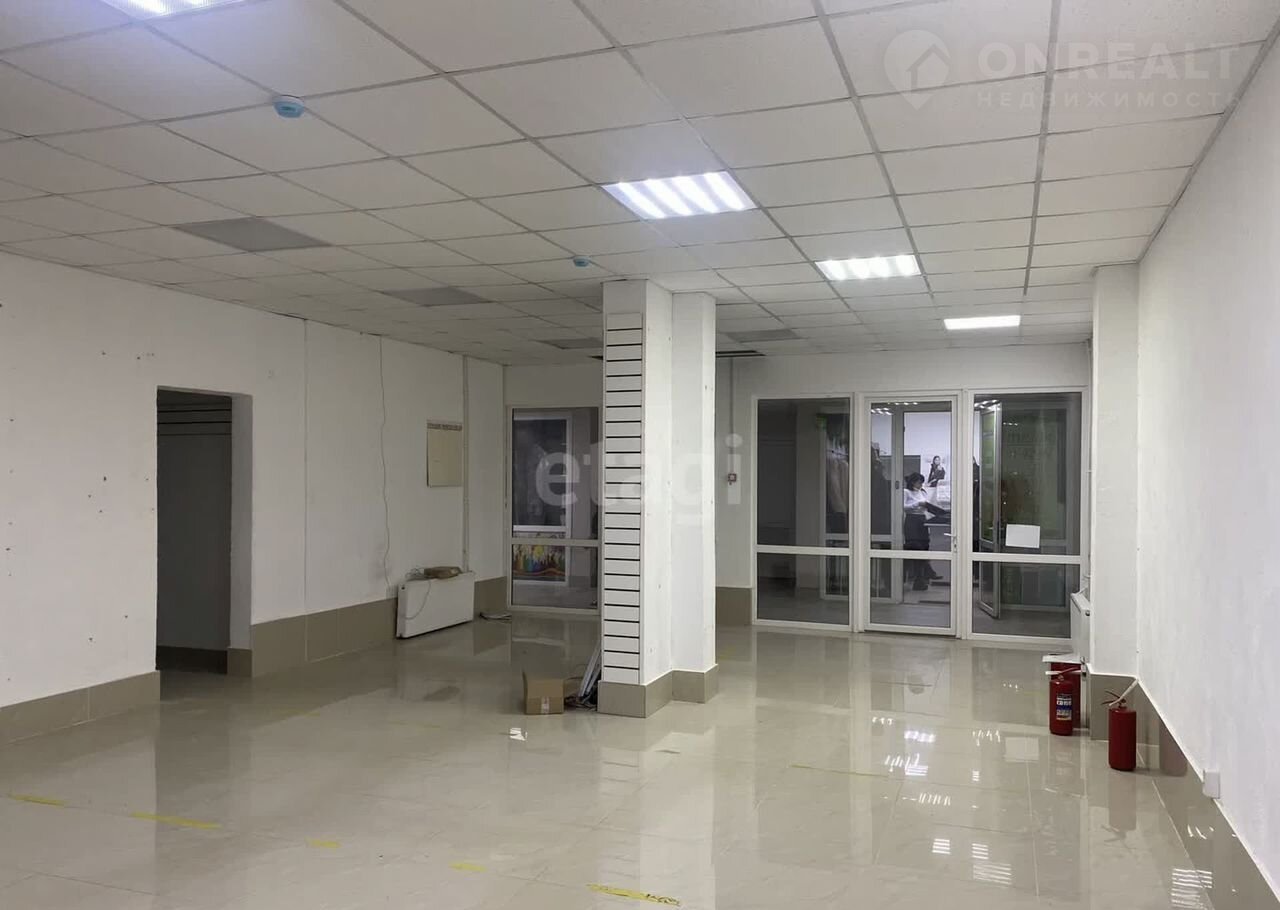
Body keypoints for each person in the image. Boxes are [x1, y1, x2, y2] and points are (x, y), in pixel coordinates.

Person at [903, 472, 946, 590]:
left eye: (922, 483)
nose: (920, 485)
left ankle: (922, 577)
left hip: (922, 520)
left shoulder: (922, 492)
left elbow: (927, 506)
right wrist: (917, 504)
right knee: (915, 547)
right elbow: (903, 506)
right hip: (912, 520)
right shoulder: (906, 492)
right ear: (912, 482)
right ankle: (925, 574)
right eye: (919, 482)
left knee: (924, 546)